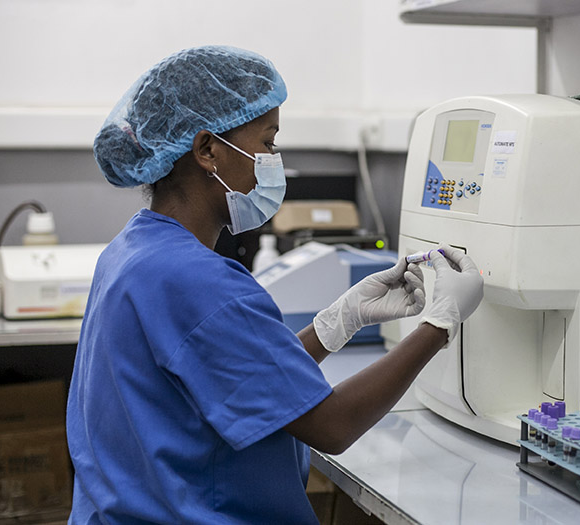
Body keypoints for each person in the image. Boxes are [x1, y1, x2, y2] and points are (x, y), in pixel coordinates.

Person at [66, 45, 484, 524]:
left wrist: (337, 321)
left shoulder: (132, 251)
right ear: (208, 151)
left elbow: (240, 376)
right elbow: (332, 425)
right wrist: (438, 324)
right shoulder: (200, 282)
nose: (273, 161)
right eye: (268, 143)